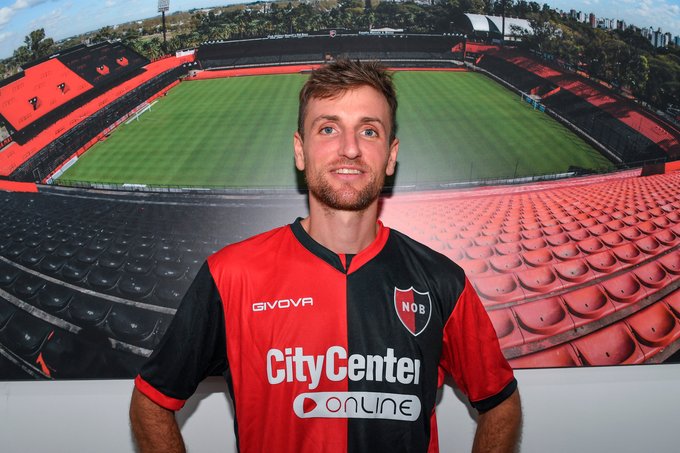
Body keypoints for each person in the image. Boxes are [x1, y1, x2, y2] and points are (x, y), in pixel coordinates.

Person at [130, 59, 521, 453]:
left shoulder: (441, 280)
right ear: (300, 151)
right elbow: (151, 401)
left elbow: (501, 402)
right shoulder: (231, 275)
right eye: (328, 129)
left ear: (390, 156)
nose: (350, 149)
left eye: (369, 131)